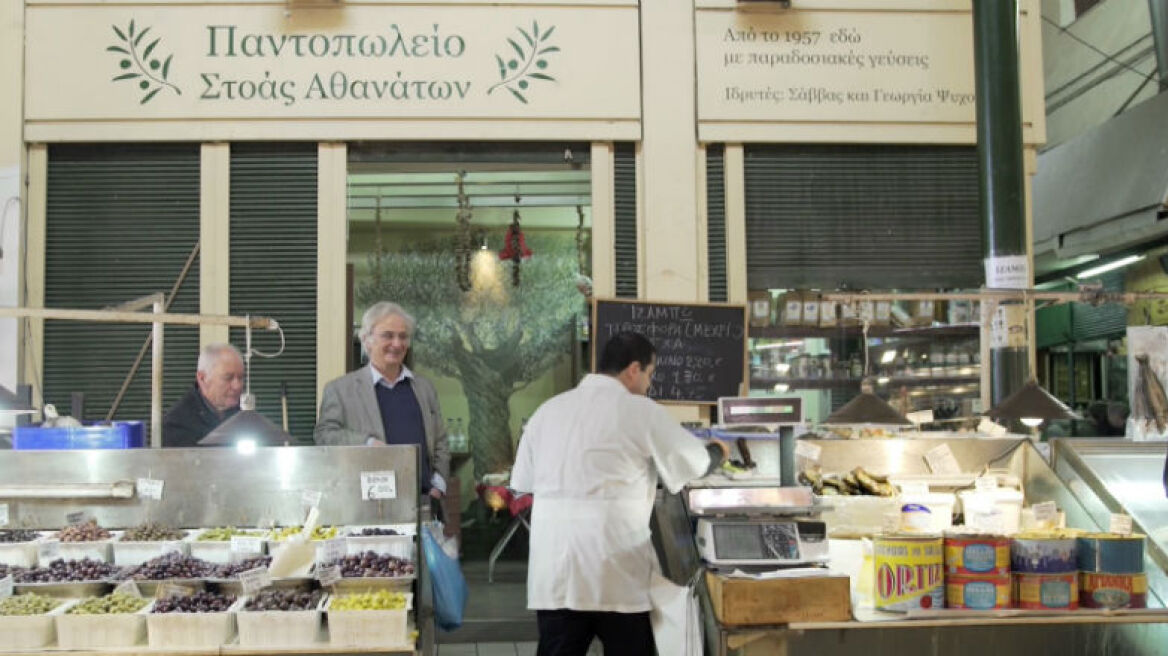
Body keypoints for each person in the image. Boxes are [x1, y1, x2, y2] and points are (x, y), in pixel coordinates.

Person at [511, 331, 728, 656]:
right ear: (633, 369)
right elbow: (694, 463)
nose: (649, 385)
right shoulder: (640, 411)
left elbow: (525, 481)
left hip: (556, 571)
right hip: (615, 569)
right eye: (650, 375)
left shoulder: (547, 412)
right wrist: (718, 452)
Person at [313, 302, 450, 501]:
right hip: (367, 505)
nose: (397, 344)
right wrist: (367, 443)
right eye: (388, 335)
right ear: (366, 340)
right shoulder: (340, 390)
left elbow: (440, 442)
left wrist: (438, 485)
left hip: (423, 503)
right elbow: (324, 435)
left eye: (403, 336)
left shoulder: (424, 388)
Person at [163, 343, 244, 447]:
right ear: (202, 378)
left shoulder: (246, 418)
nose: (237, 386)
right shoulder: (177, 425)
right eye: (228, 378)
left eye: (241, 378)